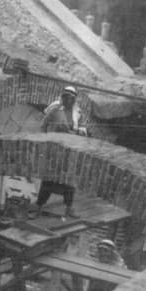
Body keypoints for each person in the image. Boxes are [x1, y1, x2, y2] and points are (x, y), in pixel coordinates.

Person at [36, 85, 88, 218]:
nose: (67, 100)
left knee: (69, 180)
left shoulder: (78, 113)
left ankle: (69, 208)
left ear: (74, 99)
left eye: (70, 98)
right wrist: (45, 139)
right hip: (54, 151)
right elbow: (43, 124)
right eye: (65, 97)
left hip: (69, 152)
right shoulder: (55, 111)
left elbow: (83, 130)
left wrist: (77, 132)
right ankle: (38, 207)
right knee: (48, 179)